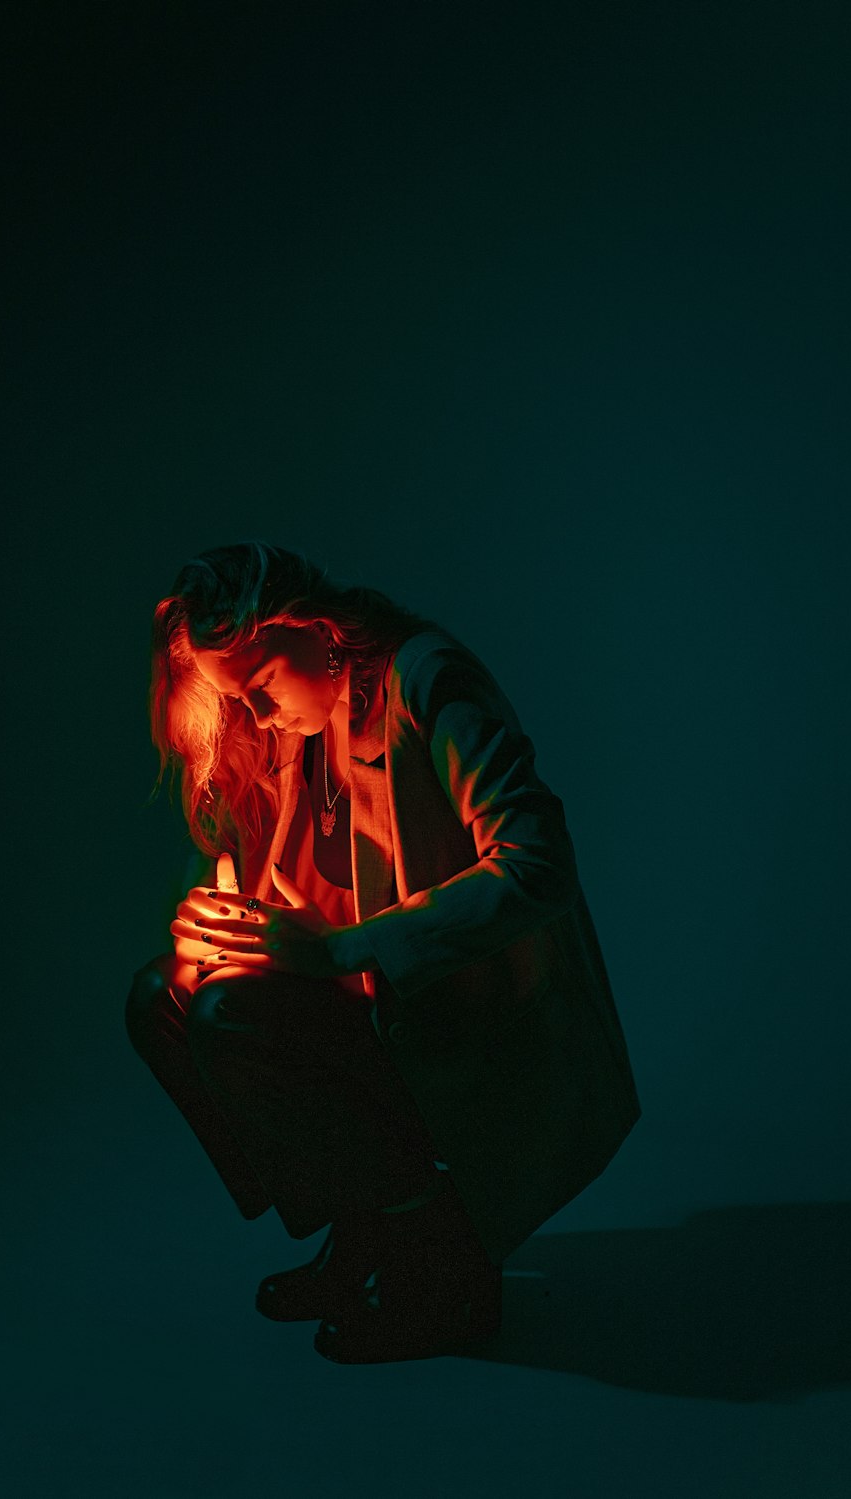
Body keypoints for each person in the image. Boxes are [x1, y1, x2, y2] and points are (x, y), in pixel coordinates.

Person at [125, 542, 640, 1364]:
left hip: (461, 1010)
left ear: (317, 631)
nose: (255, 718)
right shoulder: (301, 721)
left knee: (229, 1017)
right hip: (369, 999)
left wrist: (337, 951)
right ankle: (363, 1222)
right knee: (164, 999)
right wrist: (223, 925)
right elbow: (299, 890)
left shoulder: (427, 680)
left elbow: (538, 864)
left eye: (258, 690)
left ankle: (441, 1256)